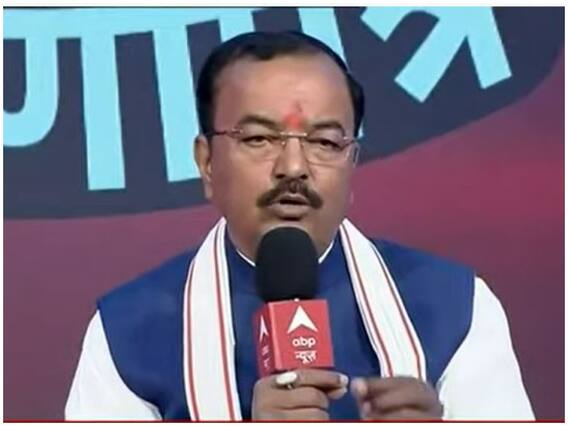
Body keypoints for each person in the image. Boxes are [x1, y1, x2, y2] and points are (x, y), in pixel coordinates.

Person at [65, 31, 534, 421]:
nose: (293, 166)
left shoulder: (455, 307)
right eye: (259, 138)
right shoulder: (128, 332)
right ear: (207, 162)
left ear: (352, 162)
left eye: (325, 142)